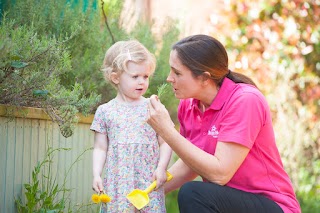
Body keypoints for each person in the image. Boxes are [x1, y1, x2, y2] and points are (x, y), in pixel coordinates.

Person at [146, 34, 301, 213]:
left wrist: (166, 131)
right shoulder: (189, 105)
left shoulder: (244, 100)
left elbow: (220, 174)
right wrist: (149, 193)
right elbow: (191, 163)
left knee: (193, 193)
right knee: (193, 193)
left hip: (272, 204)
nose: (169, 78)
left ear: (205, 78)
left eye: (177, 73)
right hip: (227, 203)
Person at [90, 40, 172, 213]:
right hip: (118, 183)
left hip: (149, 180)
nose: (142, 82)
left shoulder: (153, 106)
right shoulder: (105, 111)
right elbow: (100, 148)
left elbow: (166, 142)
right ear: (115, 78)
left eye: (146, 76)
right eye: (135, 77)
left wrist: (162, 168)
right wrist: (96, 174)